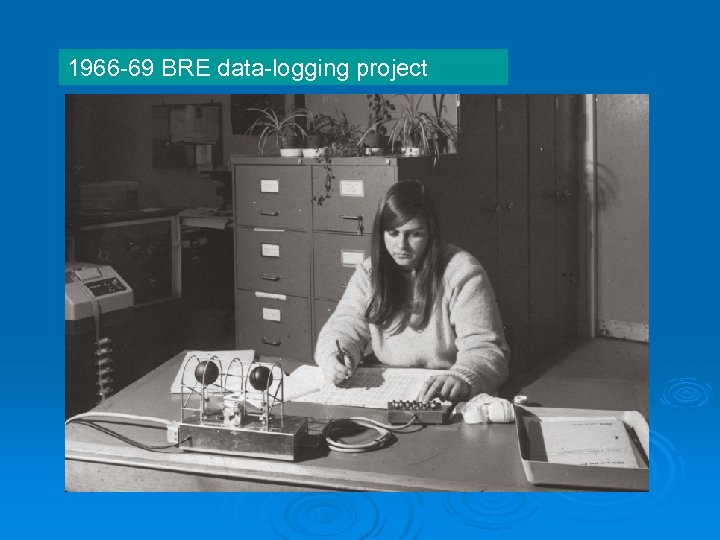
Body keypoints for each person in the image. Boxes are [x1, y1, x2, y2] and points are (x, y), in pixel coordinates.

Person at [314, 180, 510, 403]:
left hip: (445, 388)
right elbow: (343, 325)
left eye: (414, 234)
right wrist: (335, 356)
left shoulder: (462, 270)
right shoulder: (369, 273)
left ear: (430, 234)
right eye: (393, 233)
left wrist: (463, 377)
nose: (402, 246)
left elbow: (486, 348)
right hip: (389, 386)